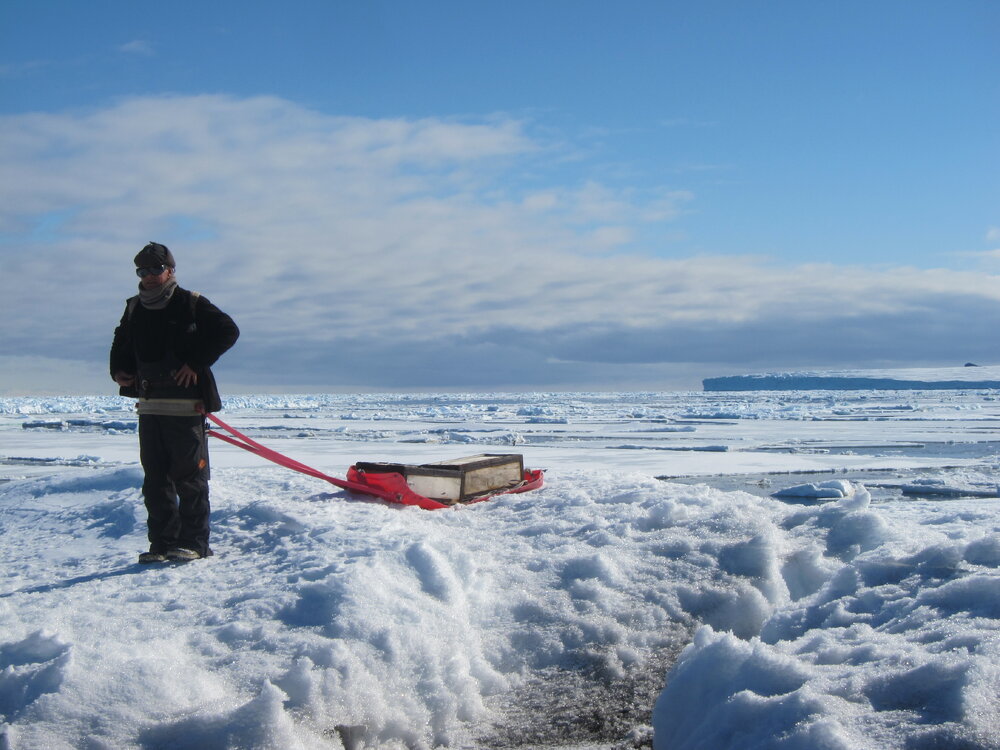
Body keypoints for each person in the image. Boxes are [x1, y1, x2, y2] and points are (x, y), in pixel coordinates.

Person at [110, 242, 239, 563]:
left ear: (170, 270)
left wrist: (194, 363)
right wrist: (118, 370)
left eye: (156, 269)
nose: (150, 276)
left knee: (189, 479)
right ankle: (162, 544)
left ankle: (194, 543)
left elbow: (228, 331)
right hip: (150, 404)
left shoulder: (190, 303)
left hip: (186, 406)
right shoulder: (134, 307)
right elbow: (121, 341)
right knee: (155, 480)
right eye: (143, 271)